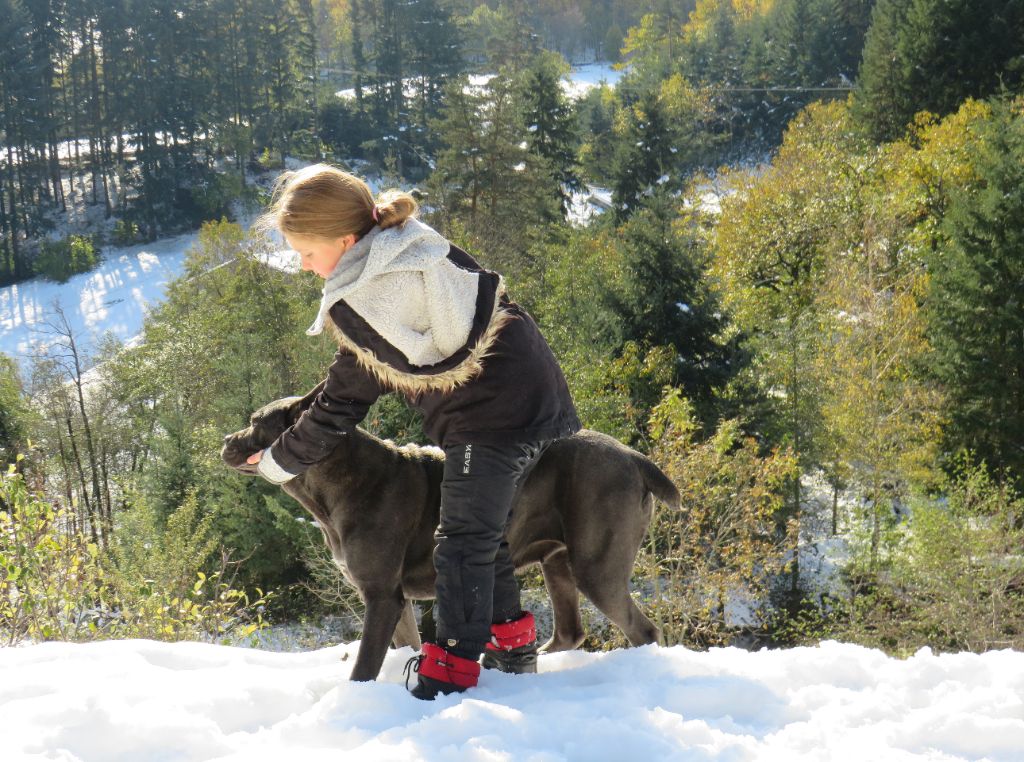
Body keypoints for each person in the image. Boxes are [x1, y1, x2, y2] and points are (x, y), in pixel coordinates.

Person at [246, 164, 580, 700]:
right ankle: (510, 652)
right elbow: (343, 382)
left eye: (306, 252)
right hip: (529, 392)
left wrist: (275, 463)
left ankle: (449, 677)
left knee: (461, 542)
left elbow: (340, 404)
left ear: (346, 240)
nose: (304, 266)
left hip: (495, 417)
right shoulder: (402, 247)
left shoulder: (371, 295)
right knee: (481, 530)